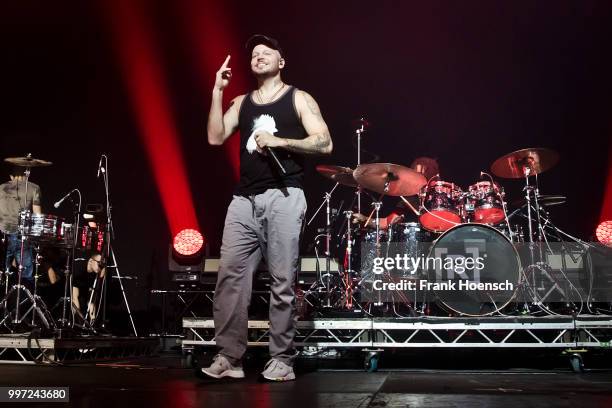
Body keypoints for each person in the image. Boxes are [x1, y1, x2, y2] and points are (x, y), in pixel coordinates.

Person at [203, 34, 333, 381]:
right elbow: (215, 137)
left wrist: (281, 140)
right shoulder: (242, 102)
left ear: (281, 62)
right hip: (243, 200)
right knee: (229, 278)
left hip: (284, 195)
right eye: (254, 54)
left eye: (266, 52)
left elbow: (324, 142)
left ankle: (282, 360)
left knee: (281, 280)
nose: (258, 56)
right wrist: (217, 90)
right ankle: (229, 358)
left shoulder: (298, 98)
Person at [352, 157, 439, 229]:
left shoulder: (441, 196)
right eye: (416, 169)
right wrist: (366, 219)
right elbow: (387, 222)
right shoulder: (408, 198)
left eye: (427, 169)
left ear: (436, 174)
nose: (421, 171)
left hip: (440, 246)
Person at [0, 166, 42, 287]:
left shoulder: (1, 188)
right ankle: (22, 302)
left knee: (2, 272)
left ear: (11, 176)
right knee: (26, 275)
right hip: (21, 236)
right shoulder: (34, 188)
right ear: (26, 175)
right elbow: (37, 217)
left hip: (2, 234)